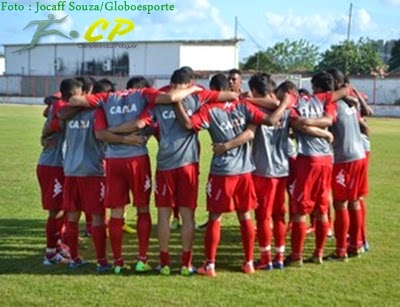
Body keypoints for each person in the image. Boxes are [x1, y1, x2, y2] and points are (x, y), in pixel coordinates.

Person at [175, 73, 294, 277]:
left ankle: (210, 265)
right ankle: (248, 262)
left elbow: (188, 125)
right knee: (245, 215)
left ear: (213, 90)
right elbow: (270, 120)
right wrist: (284, 103)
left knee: (215, 216)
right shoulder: (244, 105)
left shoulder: (209, 109)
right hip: (245, 170)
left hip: (223, 171)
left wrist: (177, 102)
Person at [108, 69, 216, 276]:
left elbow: (141, 123)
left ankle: (164, 263)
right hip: (188, 164)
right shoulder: (197, 96)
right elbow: (225, 97)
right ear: (190, 81)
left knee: (164, 215)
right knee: (188, 216)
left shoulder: (158, 99)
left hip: (165, 164)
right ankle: (186, 264)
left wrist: (114, 132)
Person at [287, 71, 349, 266]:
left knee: (299, 210)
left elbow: (300, 125)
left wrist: (307, 122)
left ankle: (296, 256)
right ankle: (318, 253)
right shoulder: (327, 101)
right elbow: (328, 120)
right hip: (326, 160)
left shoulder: (297, 102)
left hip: (308, 160)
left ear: (316, 86)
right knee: (322, 208)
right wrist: (325, 135)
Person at [56, 79, 110, 272]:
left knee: (72, 216)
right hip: (93, 171)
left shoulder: (68, 114)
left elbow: (59, 114)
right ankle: (102, 261)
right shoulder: (98, 112)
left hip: (71, 170)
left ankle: (74, 258)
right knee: (97, 217)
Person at [327, 68, 368, 259]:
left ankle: (342, 249)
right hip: (359, 155)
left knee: (340, 203)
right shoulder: (350, 101)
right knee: (354, 201)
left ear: (335, 82)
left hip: (345, 158)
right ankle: (357, 244)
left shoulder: (334, 104)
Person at [37, 79, 73, 265]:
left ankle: (57, 247)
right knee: (56, 210)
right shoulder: (61, 107)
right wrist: (43, 138)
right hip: (52, 165)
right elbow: (52, 125)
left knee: (62, 208)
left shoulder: (58, 104)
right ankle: (50, 255)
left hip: (59, 164)